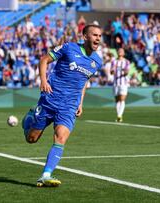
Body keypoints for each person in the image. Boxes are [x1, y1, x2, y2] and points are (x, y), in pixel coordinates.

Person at [21, 24, 102, 187]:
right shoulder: (69, 48)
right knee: (32, 138)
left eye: (99, 36)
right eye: (94, 35)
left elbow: (84, 81)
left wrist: (80, 102)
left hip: (69, 105)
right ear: (85, 36)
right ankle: (29, 119)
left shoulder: (97, 62)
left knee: (61, 136)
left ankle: (45, 174)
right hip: (50, 99)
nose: (98, 39)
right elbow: (44, 60)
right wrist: (43, 80)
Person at [110, 48, 130, 122]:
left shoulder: (127, 62)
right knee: (117, 100)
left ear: (124, 53)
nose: (119, 52)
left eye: (121, 51)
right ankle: (119, 115)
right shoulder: (114, 61)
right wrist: (112, 71)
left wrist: (123, 71)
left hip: (123, 83)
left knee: (122, 99)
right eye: (119, 51)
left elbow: (127, 72)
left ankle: (119, 115)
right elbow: (111, 72)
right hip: (115, 83)